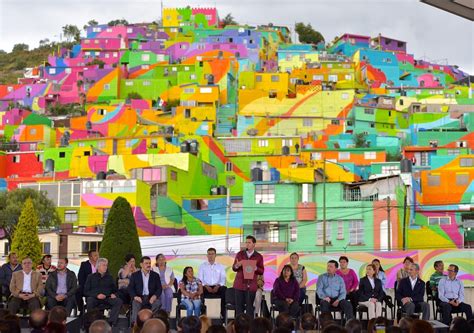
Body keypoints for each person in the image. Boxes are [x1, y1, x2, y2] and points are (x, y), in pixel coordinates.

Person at [84, 258, 123, 326]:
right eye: (103, 265)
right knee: (90, 300)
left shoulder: (110, 277)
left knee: (118, 301)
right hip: (95, 298)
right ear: (98, 266)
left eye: (106, 265)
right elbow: (86, 291)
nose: (106, 267)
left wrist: (115, 294)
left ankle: (111, 323)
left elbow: (115, 290)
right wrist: (96, 295)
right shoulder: (90, 277)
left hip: (107, 297)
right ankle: (91, 322)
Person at [232, 235, 264, 316]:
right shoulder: (240, 254)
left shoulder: (259, 256)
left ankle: (250, 326)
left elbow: (261, 271)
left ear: (254, 244)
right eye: (246, 242)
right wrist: (237, 265)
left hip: (251, 285)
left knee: (250, 308)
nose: (247, 244)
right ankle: (238, 326)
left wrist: (255, 267)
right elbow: (234, 268)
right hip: (239, 284)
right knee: (239, 308)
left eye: (249, 242)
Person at [128, 256, 162, 325]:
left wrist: (155, 296)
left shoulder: (155, 275)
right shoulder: (135, 275)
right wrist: (135, 297)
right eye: (146, 263)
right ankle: (135, 324)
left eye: (149, 263)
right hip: (139, 297)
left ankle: (148, 321)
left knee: (158, 303)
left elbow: (159, 288)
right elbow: (130, 288)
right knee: (135, 303)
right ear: (141, 265)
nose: (149, 265)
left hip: (151, 297)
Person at [198, 247, 227, 320]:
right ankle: (203, 314)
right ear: (207, 255)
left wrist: (218, 286)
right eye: (209, 254)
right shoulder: (202, 266)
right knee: (200, 289)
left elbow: (223, 278)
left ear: (215, 255)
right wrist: (206, 286)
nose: (211, 256)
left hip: (218, 287)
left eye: (212, 254)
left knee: (224, 289)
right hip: (206, 287)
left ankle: (223, 314)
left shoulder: (220, 266)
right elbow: (200, 279)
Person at [77, 250, 99, 314]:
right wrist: (86, 286)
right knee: (77, 292)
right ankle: (81, 309)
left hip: (98, 287)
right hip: (86, 286)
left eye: (98, 255)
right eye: (95, 255)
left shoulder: (101, 264)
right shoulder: (84, 264)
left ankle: (98, 310)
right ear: (90, 257)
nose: (97, 257)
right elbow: (80, 277)